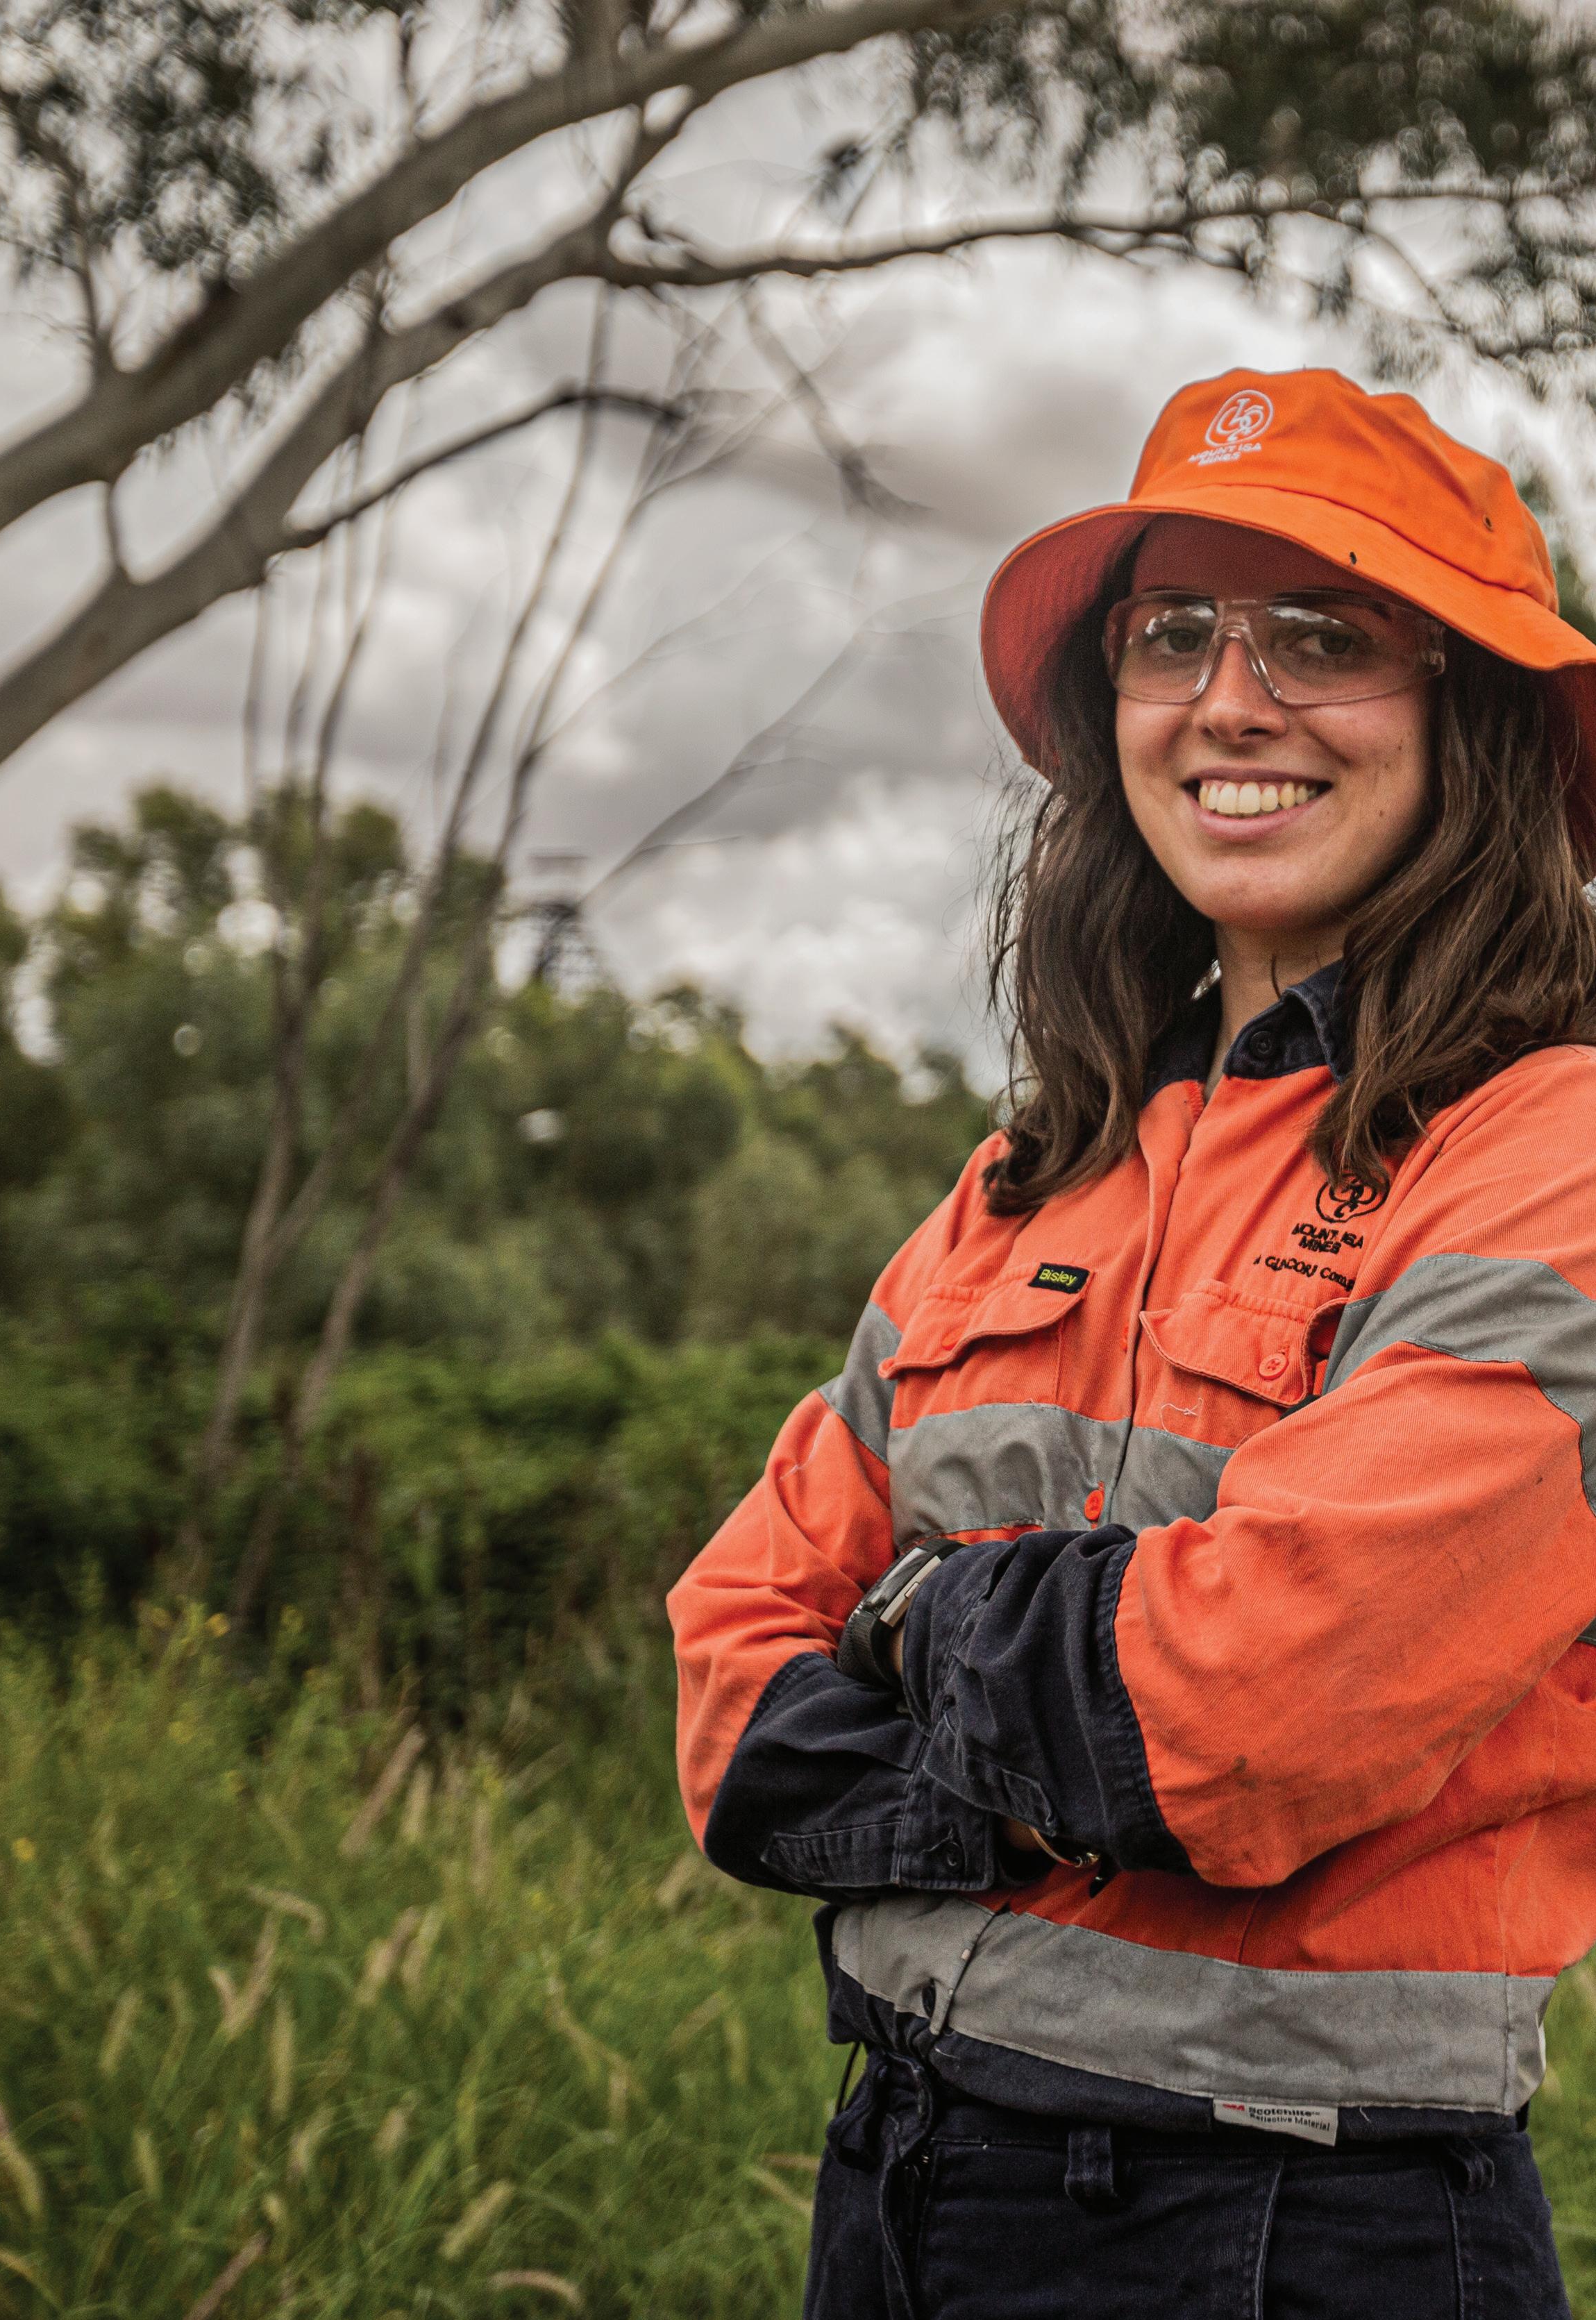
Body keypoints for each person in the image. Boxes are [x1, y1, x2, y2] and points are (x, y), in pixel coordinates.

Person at [666, 366, 1596, 2317]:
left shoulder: (1552, 1153)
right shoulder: (1032, 1175)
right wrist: (1045, 1746)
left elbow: (1259, 1707)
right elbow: (733, 1682)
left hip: (1299, 2227)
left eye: (1323, 637)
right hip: (899, 2181)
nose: (1229, 701)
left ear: (1476, 713)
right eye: (1173, 634)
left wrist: (913, 1627)